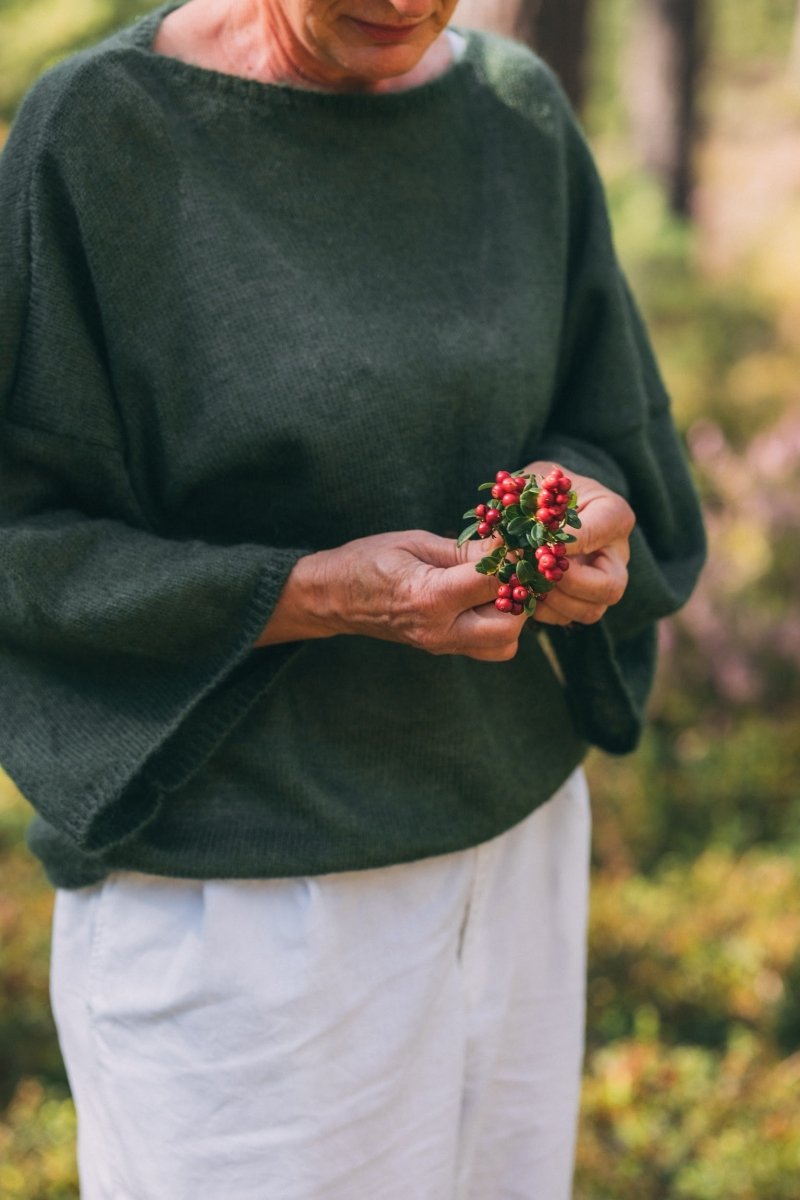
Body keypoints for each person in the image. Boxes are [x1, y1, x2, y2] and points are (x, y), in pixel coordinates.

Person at [0, 1, 706, 1197]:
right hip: (245, 900)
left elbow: (606, 420)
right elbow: (25, 537)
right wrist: (310, 594)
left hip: (513, 851)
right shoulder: (100, 138)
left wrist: (579, 501)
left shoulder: (512, 113)